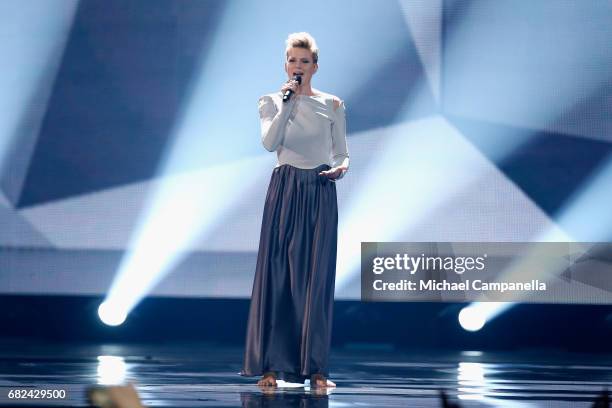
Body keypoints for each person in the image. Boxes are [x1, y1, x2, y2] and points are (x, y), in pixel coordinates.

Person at [240, 32, 349, 389]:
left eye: (304, 61)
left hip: (318, 189)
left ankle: (317, 370)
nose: (298, 66)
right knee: (278, 277)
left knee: (315, 280)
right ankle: (270, 369)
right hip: (285, 188)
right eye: (292, 60)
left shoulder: (332, 104)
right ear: (285, 64)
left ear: (315, 66)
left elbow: (341, 151)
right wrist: (286, 103)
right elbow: (270, 143)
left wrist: (341, 166)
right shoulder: (271, 101)